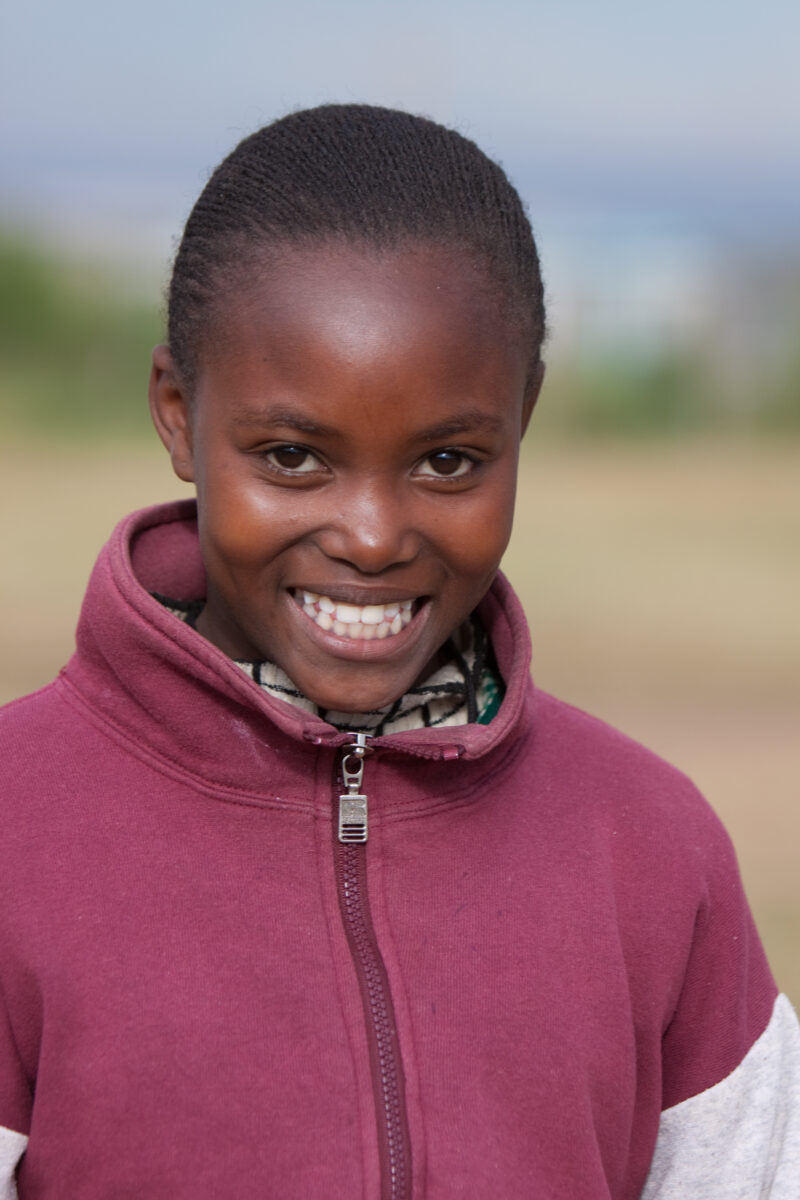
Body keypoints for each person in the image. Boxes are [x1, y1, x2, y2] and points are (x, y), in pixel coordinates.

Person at [0, 104, 797, 1200]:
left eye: (448, 463)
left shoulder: (654, 854)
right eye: (291, 456)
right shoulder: (15, 829)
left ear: (522, 418)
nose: (372, 535)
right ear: (179, 415)